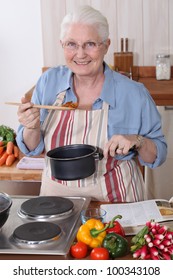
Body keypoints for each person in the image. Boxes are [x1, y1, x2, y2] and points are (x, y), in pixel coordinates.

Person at [16, 5, 167, 202]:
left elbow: (157, 155)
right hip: (56, 203)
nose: (80, 54)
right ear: (61, 44)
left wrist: (138, 140)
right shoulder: (48, 82)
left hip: (118, 204)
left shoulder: (134, 93)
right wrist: (31, 127)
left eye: (90, 44)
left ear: (106, 45)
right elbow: (31, 147)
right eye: (71, 44)